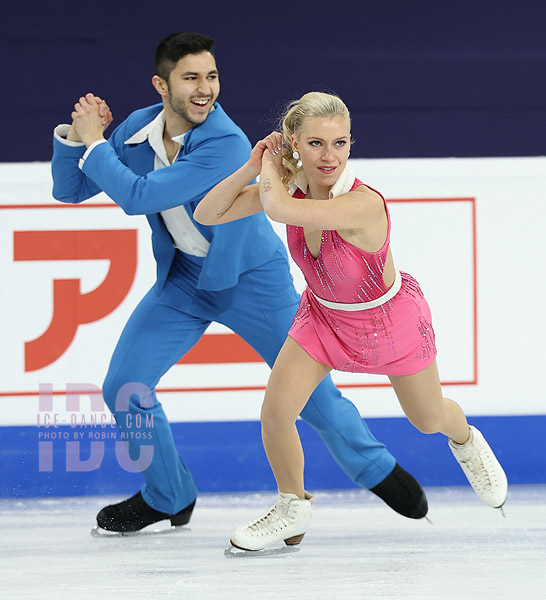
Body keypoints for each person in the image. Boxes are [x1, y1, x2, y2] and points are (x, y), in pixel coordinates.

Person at [50, 32, 428, 535]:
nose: (205, 89)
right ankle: (168, 493)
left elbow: (139, 196)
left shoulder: (226, 142)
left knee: (311, 396)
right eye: (191, 78)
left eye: (212, 76)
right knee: (124, 387)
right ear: (161, 85)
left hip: (251, 278)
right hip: (183, 280)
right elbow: (70, 189)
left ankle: (373, 466)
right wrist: (75, 138)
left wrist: (97, 142)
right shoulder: (140, 129)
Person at [194, 91, 508, 551]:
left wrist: (271, 170)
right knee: (277, 413)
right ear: (295, 143)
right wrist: (252, 163)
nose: (330, 156)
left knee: (427, 417)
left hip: (388, 321)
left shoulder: (362, 204)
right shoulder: (291, 183)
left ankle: (466, 442)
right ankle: (291, 508)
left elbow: (279, 209)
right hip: (323, 318)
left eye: (340, 143)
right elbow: (208, 212)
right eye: (317, 143)